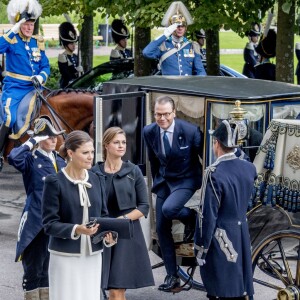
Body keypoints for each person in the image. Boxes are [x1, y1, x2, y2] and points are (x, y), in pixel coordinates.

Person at [42, 130, 116, 300]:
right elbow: (49, 224)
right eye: (85, 153)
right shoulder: (54, 182)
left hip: (92, 256)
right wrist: (77, 229)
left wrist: (107, 237)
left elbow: (103, 216)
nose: (90, 157)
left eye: (92, 152)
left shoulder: (97, 179)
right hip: (65, 256)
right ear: (70, 153)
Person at [143, 95, 203, 292]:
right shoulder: (149, 131)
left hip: (186, 178)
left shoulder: (190, 131)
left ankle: (192, 217)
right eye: (158, 115)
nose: (162, 119)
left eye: (166, 114)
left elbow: (202, 158)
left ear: (174, 113)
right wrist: (157, 182)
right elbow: (153, 160)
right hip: (165, 181)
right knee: (161, 228)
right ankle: (172, 276)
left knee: (169, 209)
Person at [194, 120, 256, 300]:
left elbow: (207, 216)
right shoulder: (249, 167)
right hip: (242, 234)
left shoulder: (213, 172)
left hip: (221, 237)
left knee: (221, 291)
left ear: (217, 143)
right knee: (240, 289)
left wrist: (201, 248)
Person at [92, 126, 154, 300]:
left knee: (117, 290)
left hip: (127, 235)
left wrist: (121, 220)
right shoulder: (93, 173)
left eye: (124, 142)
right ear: (106, 145)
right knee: (94, 287)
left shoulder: (133, 171)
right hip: (100, 232)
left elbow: (144, 206)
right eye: (116, 142)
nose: (121, 146)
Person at [7, 116, 66, 300]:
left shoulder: (61, 160)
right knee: (34, 267)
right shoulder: (31, 159)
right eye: (48, 136)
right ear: (40, 140)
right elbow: (13, 157)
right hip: (36, 219)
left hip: (56, 220)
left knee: (49, 267)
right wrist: (32, 141)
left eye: (54, 136)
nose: (53, 139)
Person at [0, 0, 50, 171]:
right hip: (14, 89)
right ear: (19, 25)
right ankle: (0, 153)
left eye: (31, 25)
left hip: (34, 88)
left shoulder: (38, 42)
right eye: (25, 24)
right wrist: (13, 30)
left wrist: (41, 77)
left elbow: (45, 66)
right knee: (9, 118)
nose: (29, 28)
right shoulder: (11, 40)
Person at [142, 2, 206, 76]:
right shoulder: (164, 46)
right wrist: (165, 35)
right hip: (169, 86)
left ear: (186, 28)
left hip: (186, 86)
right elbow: (146, 52)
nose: (180, 28)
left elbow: (200, 71)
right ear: (171, 28)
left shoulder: (191, 46)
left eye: (183, 26)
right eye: (177, 26)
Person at [58, 22, 83, 88]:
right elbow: (66, 74)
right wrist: (76, 70)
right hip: (67, 86)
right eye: (71, 44)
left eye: (74, 43)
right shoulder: (62, 57)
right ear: (65, 44)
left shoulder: (75, 56)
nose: (74, 45)